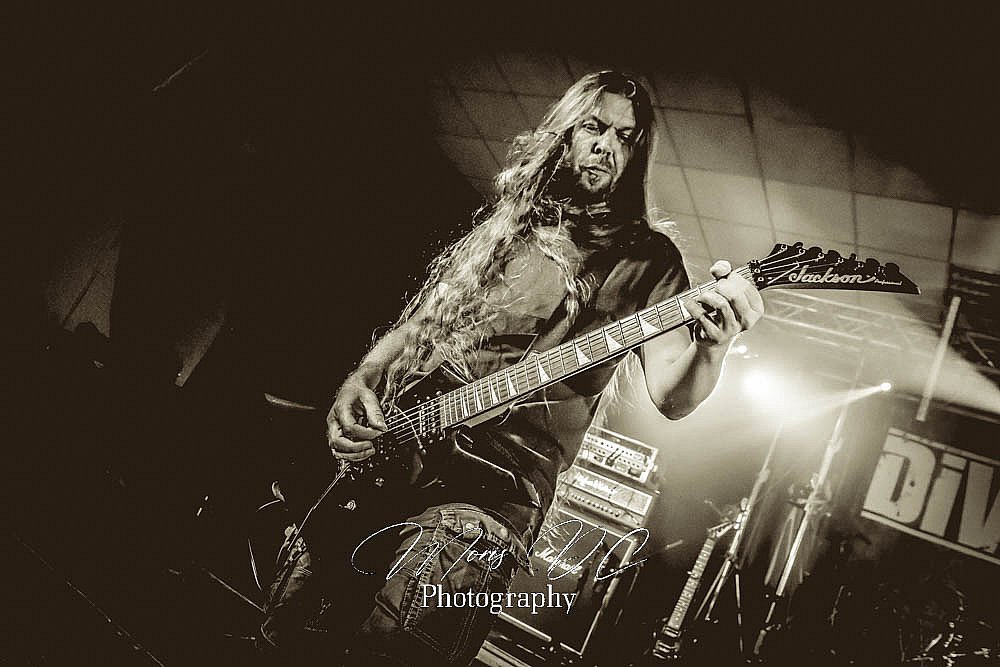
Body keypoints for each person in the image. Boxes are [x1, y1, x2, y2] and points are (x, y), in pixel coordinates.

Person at [260, 70, 764, 666]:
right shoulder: (512, 225)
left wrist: (712, 348)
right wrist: (362, 379)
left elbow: (673, 397)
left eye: (626, 138)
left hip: (495, 493)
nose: (608, 146)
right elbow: (422, 325)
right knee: (291, 629)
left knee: (395, 646)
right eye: (595, 127)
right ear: (565, 133)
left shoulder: (649, 261)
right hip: (393, 453)